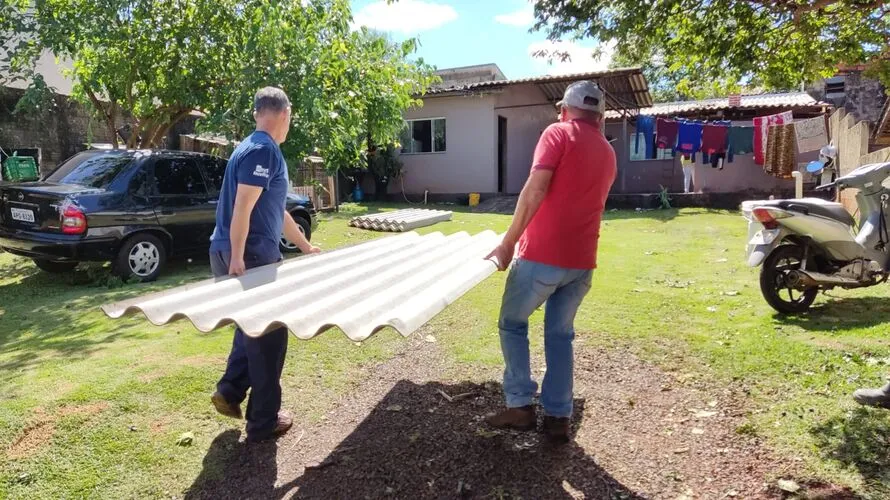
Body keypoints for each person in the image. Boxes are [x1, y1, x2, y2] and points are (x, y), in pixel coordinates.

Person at [485, 81, 617, 443]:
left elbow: (535, 189)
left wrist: (508, 242)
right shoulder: (608, 151)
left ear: (564, 110)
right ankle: (558, 416)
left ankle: (520, 406)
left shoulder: (557, 134)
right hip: (582, 263)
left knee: (512, 323)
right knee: (559, 336)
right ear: (599, 116)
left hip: (542, 256)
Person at [208, 86, 320, 443]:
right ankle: (263, 421)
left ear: (257, 113)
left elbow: (276, 210)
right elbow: (243, 206)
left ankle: (229, 389)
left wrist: (304, 246)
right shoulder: (265, 150)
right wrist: (240, 256)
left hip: (229, 248)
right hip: (250, 253)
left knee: (249, 326)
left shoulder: (247, 147)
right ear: (284, 114)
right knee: (270, 336)